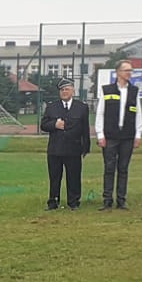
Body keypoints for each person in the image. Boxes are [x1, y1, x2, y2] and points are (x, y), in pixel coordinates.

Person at [96, 62, 141, 211]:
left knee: (123, 168)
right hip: (110, 135)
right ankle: (107, 200)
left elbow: (138, 113)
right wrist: (100, 134)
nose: (129, 73)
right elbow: (100, 113)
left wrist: (138, 134)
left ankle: (121, 200)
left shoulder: (134, 91)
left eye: (131, 70)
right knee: (109, 168)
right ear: (118, 72)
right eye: (126, 70)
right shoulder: (107, 90)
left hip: (127, 136)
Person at [41, 81, 91, 210]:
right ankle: (53, 201)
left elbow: (85, 128)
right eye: (62, 90)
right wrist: (54, 125)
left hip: (73, 148)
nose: (64, 92)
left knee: (74, 176)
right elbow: (44, 125)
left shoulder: (81, 107)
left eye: (67, 89)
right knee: (54, 177)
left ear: (73, 91)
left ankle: (74, 202)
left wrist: (86, 147)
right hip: (55, 149)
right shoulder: (52, 107)